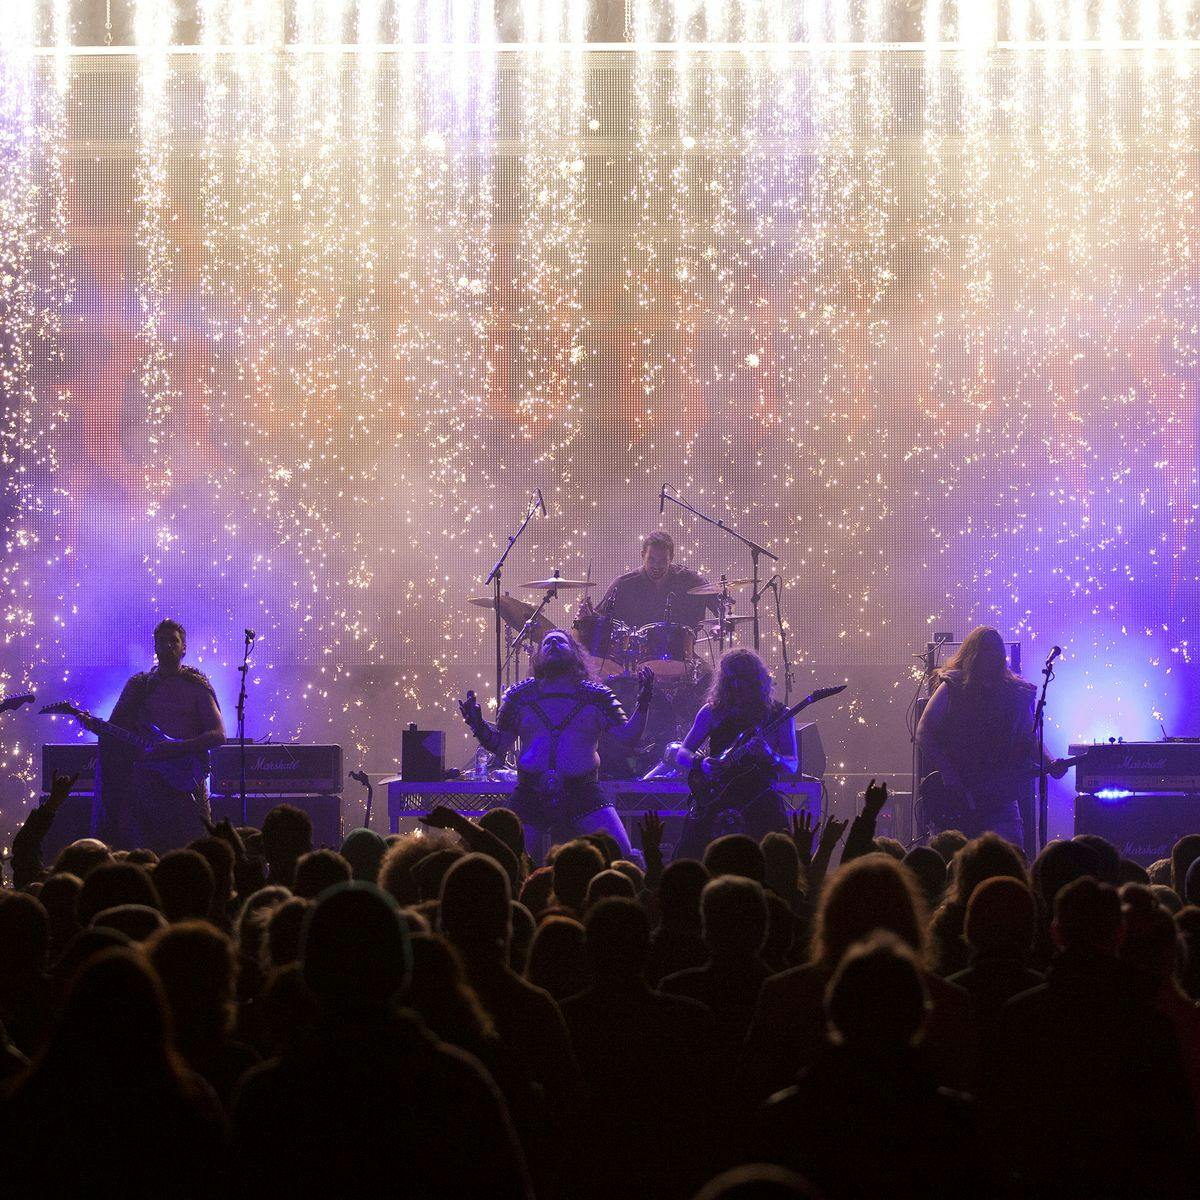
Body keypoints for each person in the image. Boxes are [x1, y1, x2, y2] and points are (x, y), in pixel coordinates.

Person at [459, 628, 653, 856]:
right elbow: (500, 744)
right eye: (547, 643)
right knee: (506, 857)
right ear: (538, 655)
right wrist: (477, 724)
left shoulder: (597, 696)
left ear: (575, 654)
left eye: (560, 642)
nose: (553, 645)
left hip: (583, 792)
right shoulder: (519, 696)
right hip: (530, 792)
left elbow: (627, 737)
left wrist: (644, 701)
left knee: (622, 853)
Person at [915, 625, 1067, 851]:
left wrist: (1050, 760)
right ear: (973, 655)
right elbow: (924, 731)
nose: (990, 658)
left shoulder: (1014, 693)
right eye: (985, 651)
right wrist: (949, 776)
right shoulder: (952, 686)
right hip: (960, 797)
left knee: (1008, 861)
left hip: (1000, 798)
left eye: (994, 652)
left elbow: (1030, 737)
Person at [90, 619, 226, 853]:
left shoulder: (196, 686)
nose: (167, 646)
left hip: (188, 783)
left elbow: (218, 734)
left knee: (194, 851)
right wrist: (93, 725)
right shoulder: (139, 687)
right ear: (155, 647)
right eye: (161, 641)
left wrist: (178, 747)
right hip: (146, 784)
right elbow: (116, 731)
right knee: (148, 851)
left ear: (184, 647)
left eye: (173, 641)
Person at [667, 649, 799, 858]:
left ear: (757, 680)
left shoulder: (779, 714)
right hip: (715, 801)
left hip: (760, 802)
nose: (737, 685)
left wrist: (769, 754)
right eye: (731, 679)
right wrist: (701, 763)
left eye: (744, 679)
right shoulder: (712, 712)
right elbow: (682, 753)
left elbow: (792, 765)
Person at [582, 531, 719, 632]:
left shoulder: (690, 580)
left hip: (683, 656)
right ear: (643, 556)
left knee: (707, 672)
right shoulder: (623, 584)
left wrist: (719, 625)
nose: (656, 566)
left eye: (662, 561)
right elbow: (602, 619)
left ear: (671, 558)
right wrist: (589, 618)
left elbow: (722, 607)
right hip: (634, 659)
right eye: (651, 559)